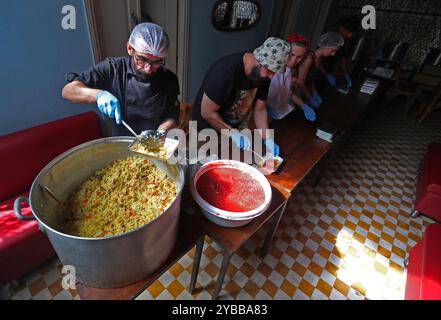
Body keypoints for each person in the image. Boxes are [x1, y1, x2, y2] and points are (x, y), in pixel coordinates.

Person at [62, 23, 180, 136]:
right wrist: (99, 95)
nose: (148, 68)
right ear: (130, 48)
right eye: (142, 59)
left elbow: (171, 116)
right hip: (121, 144)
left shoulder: (169, 78)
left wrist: (159, 134)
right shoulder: (113, 68)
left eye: (157, 62)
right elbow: (68, 91)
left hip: (155, 144)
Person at [192, 37, 291, 156]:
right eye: (270, 71)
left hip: (232, 130)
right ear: (259, 60)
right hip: (206, 131)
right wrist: (232, 133)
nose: (271, 77)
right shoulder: (224, 71)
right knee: (203, 165)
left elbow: (260, 109)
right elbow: (207, 113)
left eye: (274, 73)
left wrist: (268, 138)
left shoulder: (264, 75)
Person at [266, 33, 317, 122]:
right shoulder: (272, 69)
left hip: (279, 112)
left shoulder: (288, 70)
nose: (294, 60)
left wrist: (304, 106)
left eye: (299, 57)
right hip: (265, 113)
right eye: (292, 55)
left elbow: (288, 92)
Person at [297, 31, 344, 105]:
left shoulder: (319, 58)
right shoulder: (309, 59)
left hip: (306, 92)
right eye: (333, 50)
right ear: (326, 46)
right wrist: (310, 97)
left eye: (335, 51)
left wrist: (314, 92)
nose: (333, 54)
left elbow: (311, 79)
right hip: (298, 94)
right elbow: (300, 83)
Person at [323, 16, 360, 90]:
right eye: (349, 32)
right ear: (341, 29)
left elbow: (341, 57)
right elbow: (318, 59)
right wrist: (327, 75)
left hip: (330, 73)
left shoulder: (343, 42)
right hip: (321, 72)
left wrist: (345, 73)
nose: (350, 35)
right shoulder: (330, 39)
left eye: (352, 33)